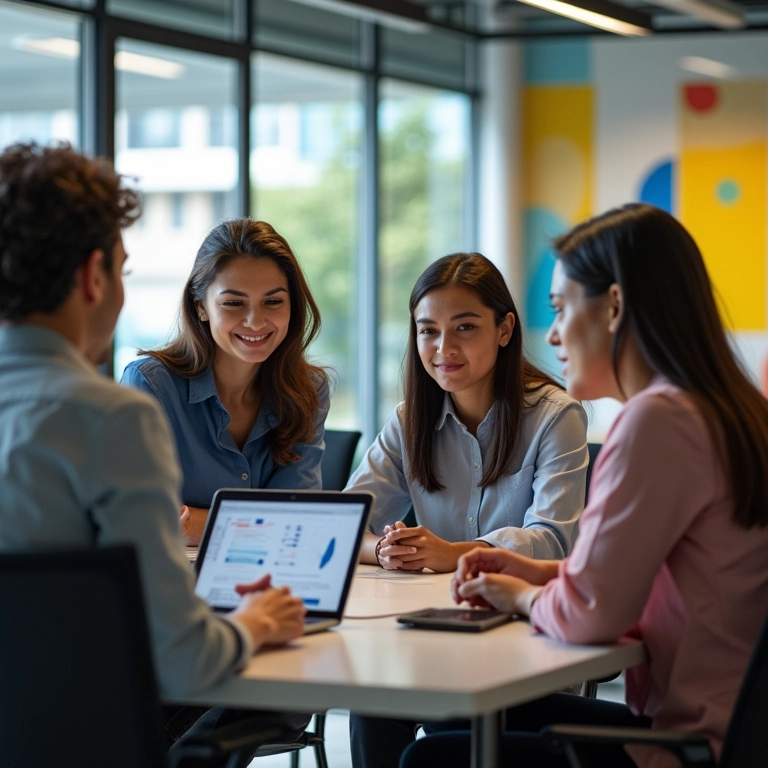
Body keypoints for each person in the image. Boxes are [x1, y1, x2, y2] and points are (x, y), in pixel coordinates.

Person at [401, 203, 768, 768]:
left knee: (430, 758)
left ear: (614, 306)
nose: (550, 336)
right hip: (732, 728)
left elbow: (592, 614)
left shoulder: (657, 422)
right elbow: (631, 576)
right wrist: (531, 570)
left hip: (684, 746)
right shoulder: (726, 408)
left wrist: (517, 596)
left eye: (560, 308)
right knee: (463, 717)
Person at [0, 141, 307, 750]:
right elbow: (181, 659)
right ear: (94, 276)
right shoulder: (110, 418)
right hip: (75, 736)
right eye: (124, 270)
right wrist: (251, 626)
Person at [347, 252, 588, 768]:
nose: (443, 348)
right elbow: (345, 522)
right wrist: (388, 550)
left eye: (464, 328)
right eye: (427, 331)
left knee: (440, 721)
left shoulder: (555, 416)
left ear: (504, 329)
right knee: (372, 697)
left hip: (526, 636)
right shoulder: (409, 419)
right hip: (432, 633)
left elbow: (553, 539)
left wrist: (454, 554)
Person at [120, 218, 329, 546]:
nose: (255, 321)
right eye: (234, 303)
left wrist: (194, 524)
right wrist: (262, 525)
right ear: (200, 305)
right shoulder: (152, 386)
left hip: (273, 580)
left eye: (273, 302)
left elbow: (297, 521)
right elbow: (142, 518)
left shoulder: (308, 390)